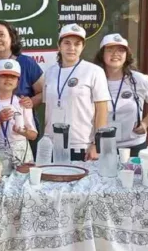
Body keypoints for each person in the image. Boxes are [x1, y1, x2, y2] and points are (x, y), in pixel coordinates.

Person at [43, 24, 110, 161]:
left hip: (80, 145)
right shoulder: (50, 72)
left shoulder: (94, 71)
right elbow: (47, 108)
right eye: (67, 43)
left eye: (77, 44)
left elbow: (102, 110)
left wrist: (96, 144)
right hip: (52, 144)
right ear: (59, 45)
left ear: (82, 47)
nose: (71, 48)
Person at [94, 34, 148, 155]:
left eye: (121, 50)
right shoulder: (93, 79)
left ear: (127, 55)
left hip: (133, 145)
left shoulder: (139, 80)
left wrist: (146, 122)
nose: (115, 54)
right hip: (101, 144)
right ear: (102, 54)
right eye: (110, 50)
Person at [0, 20, 44, 106]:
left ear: (11, 38)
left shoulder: (27, 63)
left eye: (1, 35)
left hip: (21, 118)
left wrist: (31, 102)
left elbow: (44, 93)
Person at [0, 59, 37, 163]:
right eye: (3, 75)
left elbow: (33, 135)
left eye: (13, 77)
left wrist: (23, 131)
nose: (8, 79)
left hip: (21, 152)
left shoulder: (23, 103)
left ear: (17, 82)